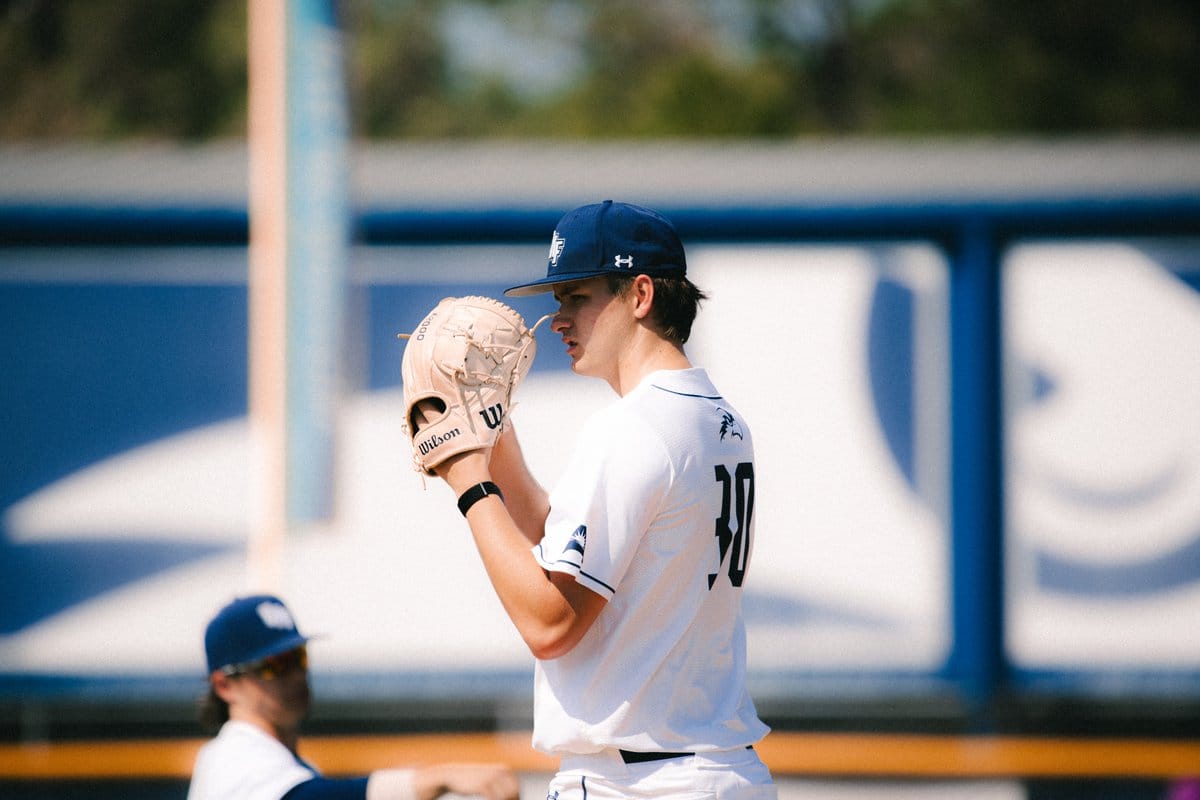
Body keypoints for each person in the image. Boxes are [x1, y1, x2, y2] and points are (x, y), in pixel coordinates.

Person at [414, 200, 776, 798]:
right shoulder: (717, 418)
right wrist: (494, 433)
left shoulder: (633, 428)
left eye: (576, 297)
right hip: (716, 768)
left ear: (639, 295)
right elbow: (562, 533)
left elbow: (550, 623)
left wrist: (465, 478)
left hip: (638, 781)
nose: (558, 319)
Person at [188, 594, 521, 800]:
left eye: (298, 657)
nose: (295, 675)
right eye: (274, 666)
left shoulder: (293, 767)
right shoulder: (227, 760)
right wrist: (434, 778)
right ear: (224, 685)